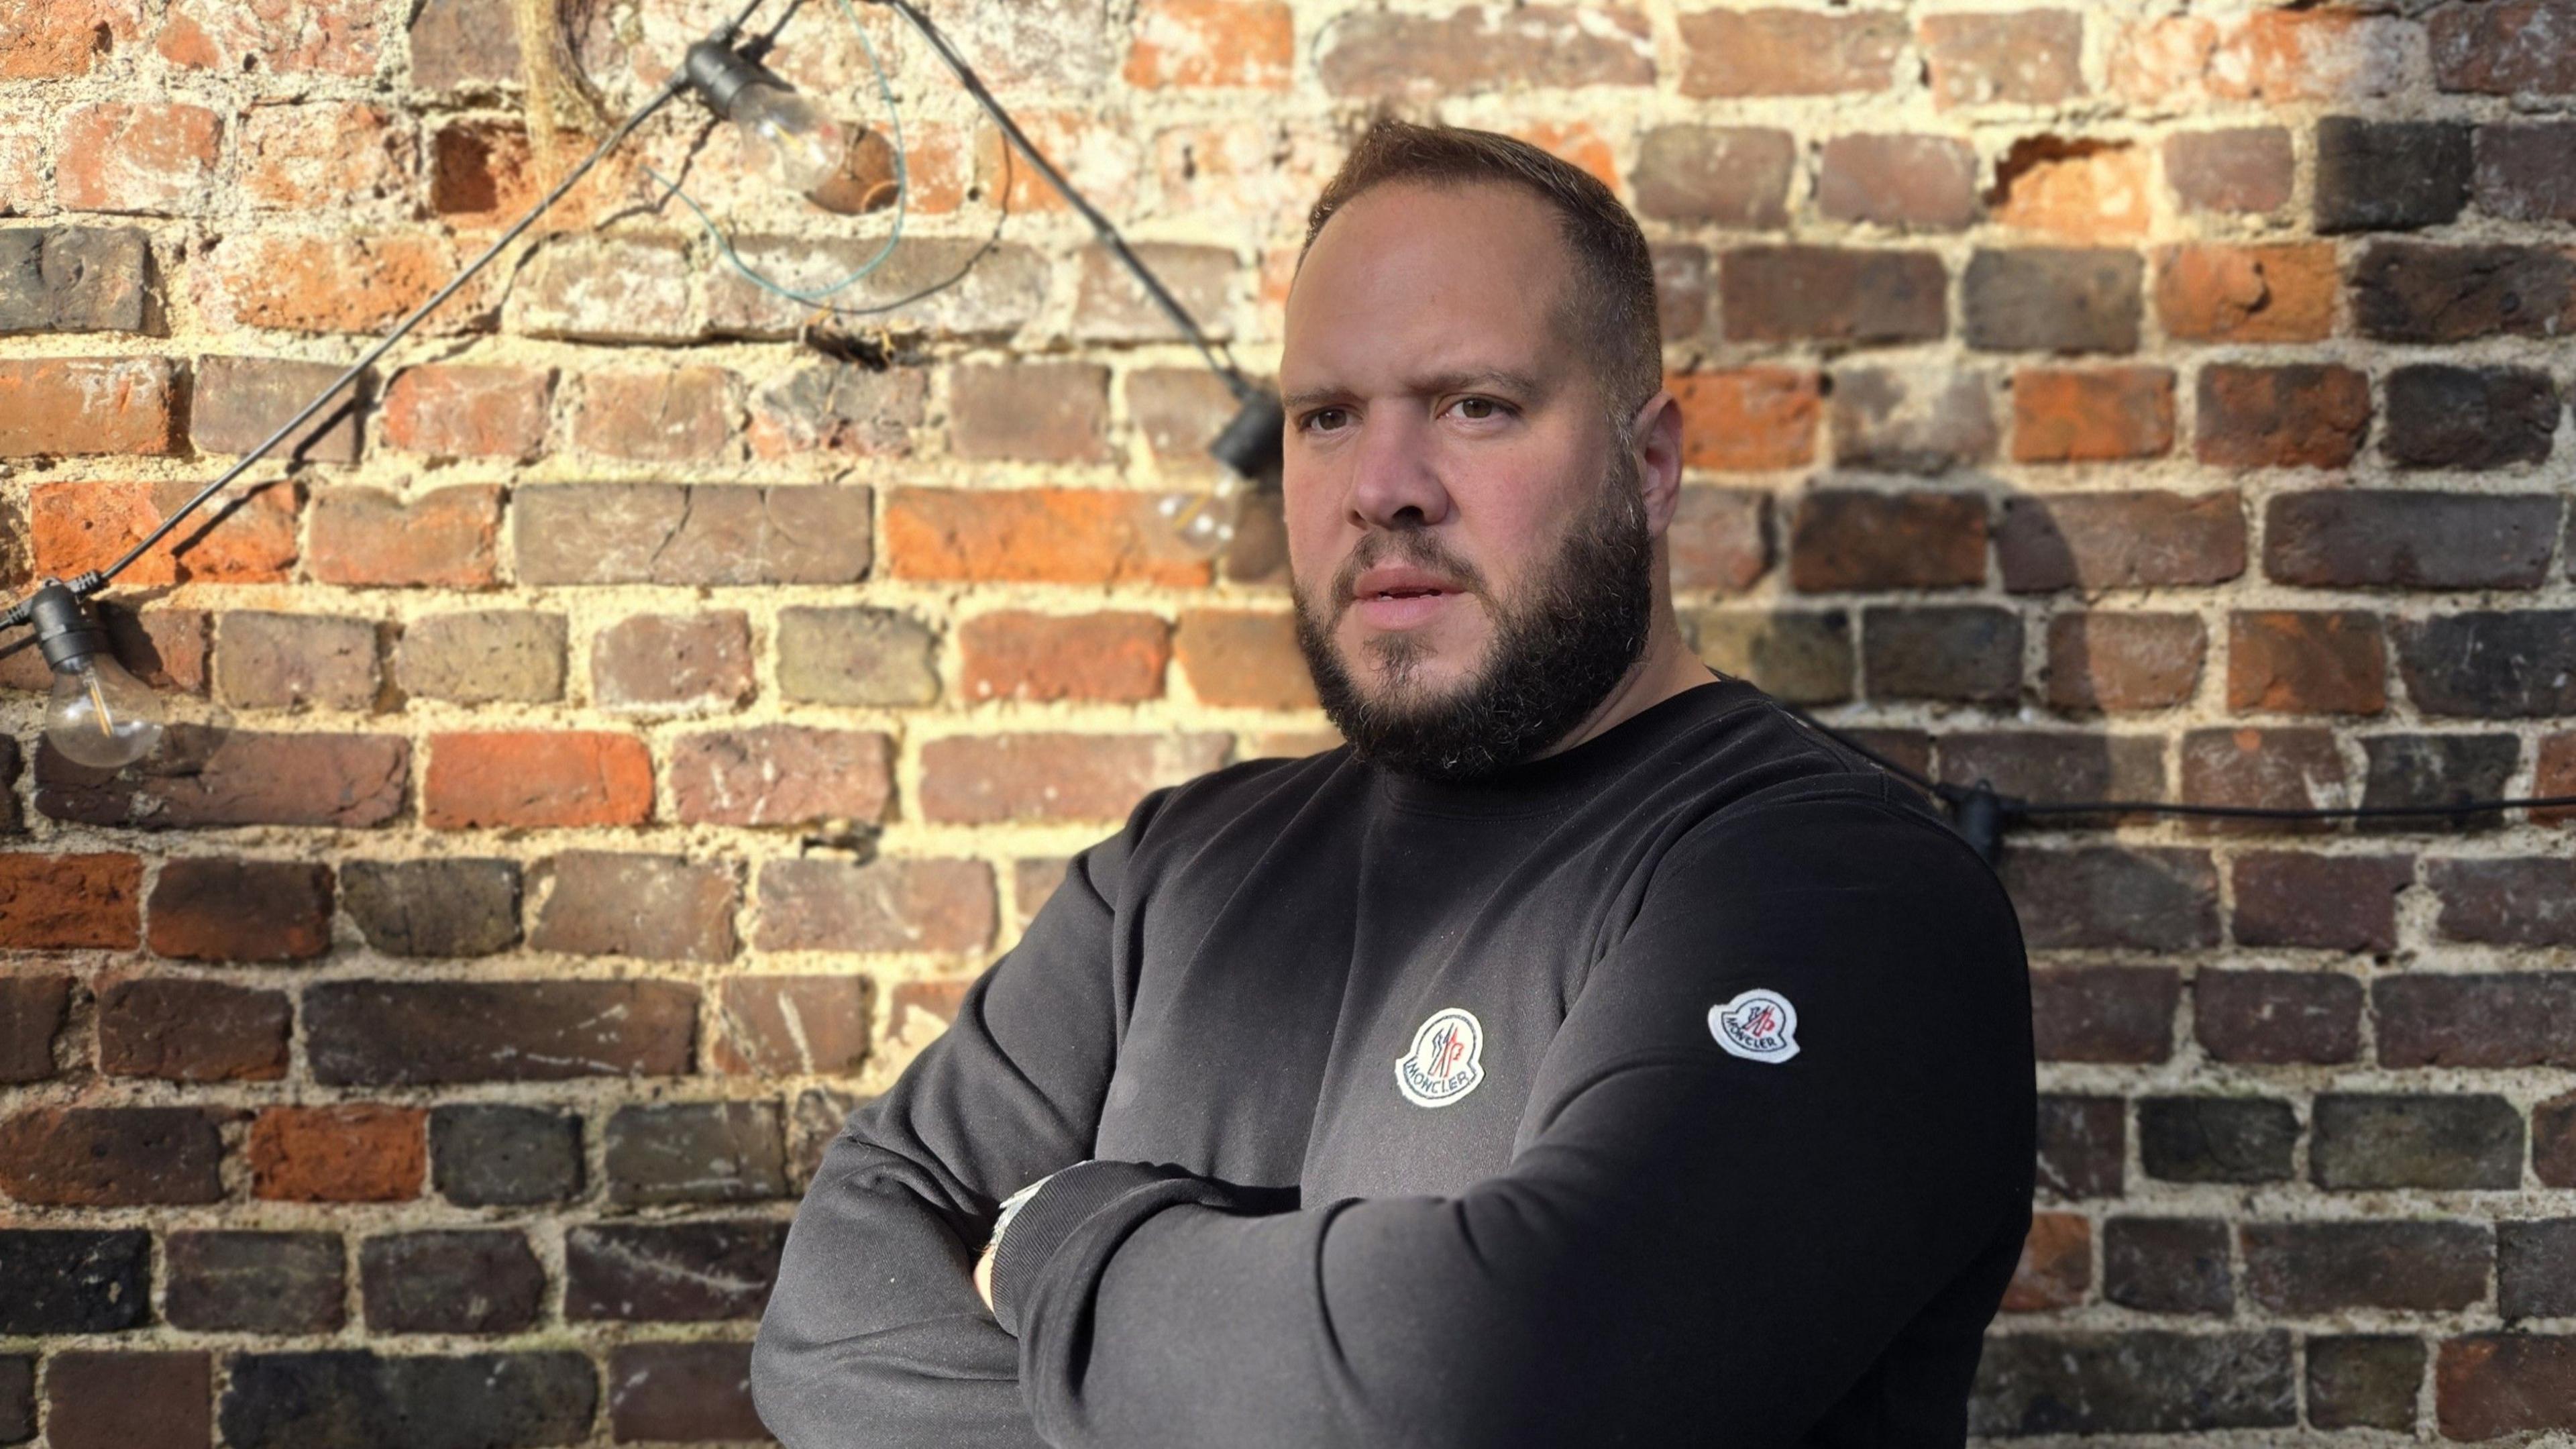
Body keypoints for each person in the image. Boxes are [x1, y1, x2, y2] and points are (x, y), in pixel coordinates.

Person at [752, 117, 2036, 1448]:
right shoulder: (1174, 875)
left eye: (1476, 405)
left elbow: (1500, 1380)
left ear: (1648, 469)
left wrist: (1054, 1238)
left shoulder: (1845, 894)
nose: (1382, 487)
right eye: (1326, 417)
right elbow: (827, 1324)